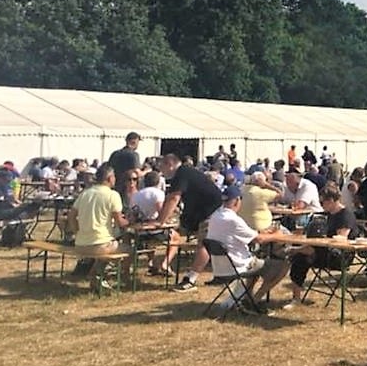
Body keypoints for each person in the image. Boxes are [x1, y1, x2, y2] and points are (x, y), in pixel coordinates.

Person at [206, 185, 288, 314]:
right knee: (283, 266)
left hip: (220, 267)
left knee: (256, 263)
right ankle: (254, 300)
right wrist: (277, 235)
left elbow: (247, 234)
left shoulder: (215, 217)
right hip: (238, 266)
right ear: (237, 201)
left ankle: (244, 298)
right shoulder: (233, 220)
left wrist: (263, 232)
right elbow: (258, 240)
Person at [153, 154, 223, 292]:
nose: (162, 172)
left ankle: (190, 280)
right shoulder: (185, 172)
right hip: (202, 211)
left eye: (162, 167)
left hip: (212, 211)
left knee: (205, 244)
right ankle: (221, 274)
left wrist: (160, 221)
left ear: (170, 164)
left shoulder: (181, 173)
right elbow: (172, 198)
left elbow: (174, 198)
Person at [282, 187, 359, 309]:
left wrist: (320, 240)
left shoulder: (345, 215)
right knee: (299, 259)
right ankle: (296, 298)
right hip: (323, 250)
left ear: (333, 200)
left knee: (302, 254)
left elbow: (342, 238)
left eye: (324, 202)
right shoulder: (327, 215)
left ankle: (293, 251)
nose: (322, 205)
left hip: (340, 255)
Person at [66, 163, 131, 290]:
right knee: (130, 250)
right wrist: (130, 221)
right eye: (114, 177)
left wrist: (77, 232)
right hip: (101, 245)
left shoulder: (86, 193)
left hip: (80, 245)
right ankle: (123, 279)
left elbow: (71, 216)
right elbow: (119, 222)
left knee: (108, 246)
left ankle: (96, 275)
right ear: (109, 178)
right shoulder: (113, 195)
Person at [108, 131, 142, 203]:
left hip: (115, 187)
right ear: (134, 141)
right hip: (128, 188)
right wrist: (147, 171)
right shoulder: (134, 155)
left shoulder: (115, 154)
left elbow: (109, 169)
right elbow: (137, 173)